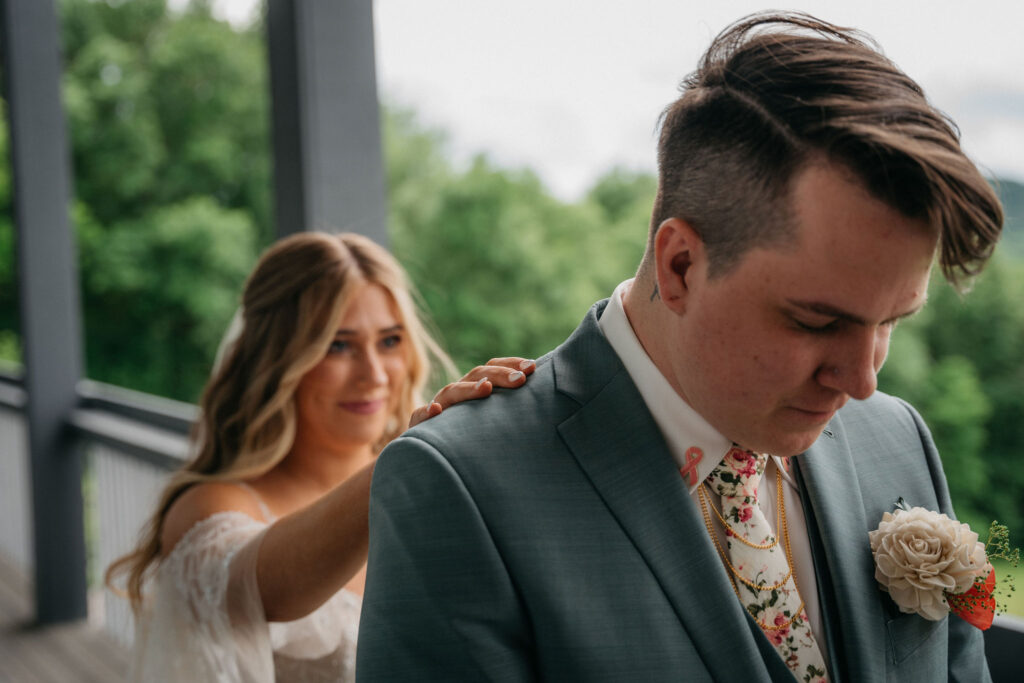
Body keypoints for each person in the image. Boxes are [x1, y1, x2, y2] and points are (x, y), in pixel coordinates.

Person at [357, 12, 1002, 683]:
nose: (862, 381)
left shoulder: (896, 438)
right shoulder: (460, 490)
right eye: (816, 321)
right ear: (681, 265)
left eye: (892, 320)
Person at [105, 231, 535, 682]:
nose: (373, 374)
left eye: (389, 341)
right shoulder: (213, 506)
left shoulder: (446, 484)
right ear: (276, 359)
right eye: (338, 345)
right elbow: (268, 592)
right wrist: (414, 454)